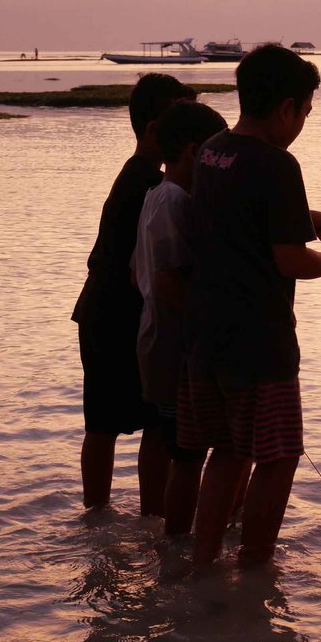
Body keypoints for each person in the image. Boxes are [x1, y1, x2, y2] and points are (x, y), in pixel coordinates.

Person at [179, 44, 321, 567]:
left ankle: (202, 565)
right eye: (307, 112)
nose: (303, 123)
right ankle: (255, 569)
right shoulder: (277, 163)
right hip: (258, 341)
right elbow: (291, 262)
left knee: (227, 451)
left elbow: (234, 217)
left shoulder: (212, 151)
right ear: (287, 108)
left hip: (204, 336)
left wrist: (302, 215)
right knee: (279, 456)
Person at [72, 74, 195, 513]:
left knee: (113, 424)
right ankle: (136, 515)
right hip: (112, 316)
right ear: (154, 131)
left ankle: (105, 518)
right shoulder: (149, 186)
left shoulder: (146, 178)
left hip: (101, 313)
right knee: (140, 424)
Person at [131, 101, 228, 536]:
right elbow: (168, 282)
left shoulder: (156, 195)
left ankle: (166, 531)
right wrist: (211, 320)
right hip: (171, 346)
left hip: (153, 338)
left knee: (174, 443)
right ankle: (177, 539)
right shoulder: (174, 201)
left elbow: (137, 274)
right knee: (187, 452)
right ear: (194, 152)